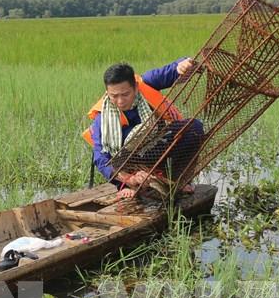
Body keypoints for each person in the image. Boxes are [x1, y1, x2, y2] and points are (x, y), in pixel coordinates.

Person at [82, 58, 205, 198]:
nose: (120, 101)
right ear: (107, 93)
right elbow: (101, 159)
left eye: (125, 94)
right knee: (115, 164)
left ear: (135, 87)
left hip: (154, 149)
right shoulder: (102, 119)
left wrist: (182, 66)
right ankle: (129, 187)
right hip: (128, 164)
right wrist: (129, 179)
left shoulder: (146, 84)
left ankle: (176, 181)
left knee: (193, 127)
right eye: (114, 96)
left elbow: (170, 70)